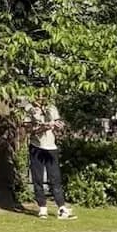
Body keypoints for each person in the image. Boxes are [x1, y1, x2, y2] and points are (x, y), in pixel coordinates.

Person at [26, 91, 75, 220]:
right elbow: (28, 130)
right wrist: (45, 127)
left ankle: (61, 209)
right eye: (38, 95)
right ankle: (42, 208)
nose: (41, 97)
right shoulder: (29, 109)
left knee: (55, 179)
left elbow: (58, 125)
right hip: (37, 147)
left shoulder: (52, 108)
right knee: (38, 179)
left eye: (43, 95)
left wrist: (59, 126)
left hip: (51, 148)